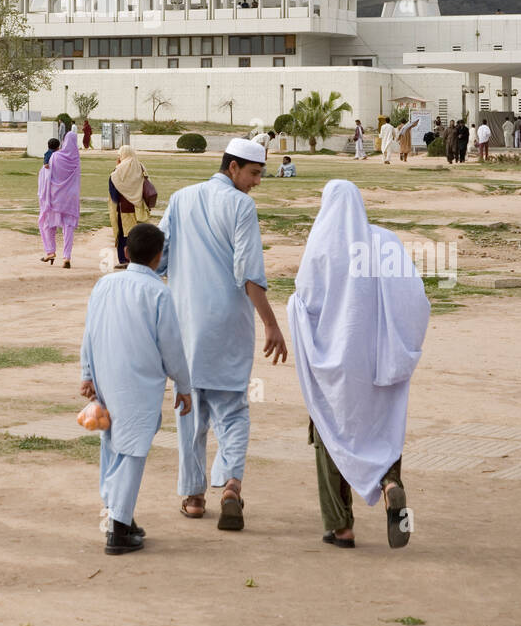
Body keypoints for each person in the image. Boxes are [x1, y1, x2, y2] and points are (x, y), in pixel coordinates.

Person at [287, 179, 430, 550]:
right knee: (382, 430)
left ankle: (341, 527)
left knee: (331, 434)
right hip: (381, 363)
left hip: (337, 367)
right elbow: (415, 298)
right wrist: (400, 346)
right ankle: (390, 486)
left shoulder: (321, 248)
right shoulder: (384, 242)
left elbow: (305, 302)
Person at [156, 138, 288, 530]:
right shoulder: (241, 206)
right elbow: (249, 271)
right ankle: (231, 486)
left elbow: (157, 256)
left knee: (189, 410)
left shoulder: (180, 199)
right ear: (233, 168)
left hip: (186, 326)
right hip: (228, 326)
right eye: (254, 173)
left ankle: (194, 497)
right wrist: (271, 324)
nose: (257, 182)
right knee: (233, 411)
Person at [80, 222, 193, 556]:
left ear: (126, 252)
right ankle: (117, 527)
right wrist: (183, 386)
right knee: (134, 451)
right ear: (159, 258)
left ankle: (121, 515)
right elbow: (171, 346)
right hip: (139, 383)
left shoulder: (105, 284)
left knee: (114, 444)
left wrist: (87, 374)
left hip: (106, 378)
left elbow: (90, 331)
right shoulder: (158, 291)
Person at [109, 145, 155, 267]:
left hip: (123, 207)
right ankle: (138, 260)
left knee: (123, 233)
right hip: (139, 206)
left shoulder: (118, 170)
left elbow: (113, 191)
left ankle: (124, 260)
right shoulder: (140, 166)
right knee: (138, 233)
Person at [42, 127, 80, 268]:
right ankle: (66, 257)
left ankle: (50, 251)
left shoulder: (56, 156)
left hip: (56, 196)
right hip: (71, 197)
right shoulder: (76, 158)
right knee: (68, 227)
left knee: (48, 223)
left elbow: (47, 174)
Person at [38, 138, 61, 262]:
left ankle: (50, 251)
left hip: (48, 199)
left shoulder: (48, 164)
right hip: (59, 198)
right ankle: (59, 254)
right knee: (52, 224)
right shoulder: (62, 159)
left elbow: (44, 183)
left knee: (45, 224)